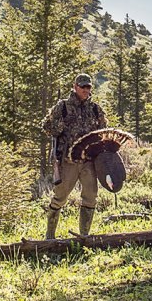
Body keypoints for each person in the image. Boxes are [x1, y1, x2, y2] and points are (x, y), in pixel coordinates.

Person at [41, 73, 107, 238]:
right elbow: (47, 126)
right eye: (82, 86)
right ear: (75, 86)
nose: (86, 89)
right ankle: (49, 237)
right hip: (68, 160)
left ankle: (84, 236)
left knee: (90, 197)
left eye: (88, 87)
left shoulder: (95, 109)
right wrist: (60, 125)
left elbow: (104, 132)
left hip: (88, 162)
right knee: (60, 197)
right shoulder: (62, 107)